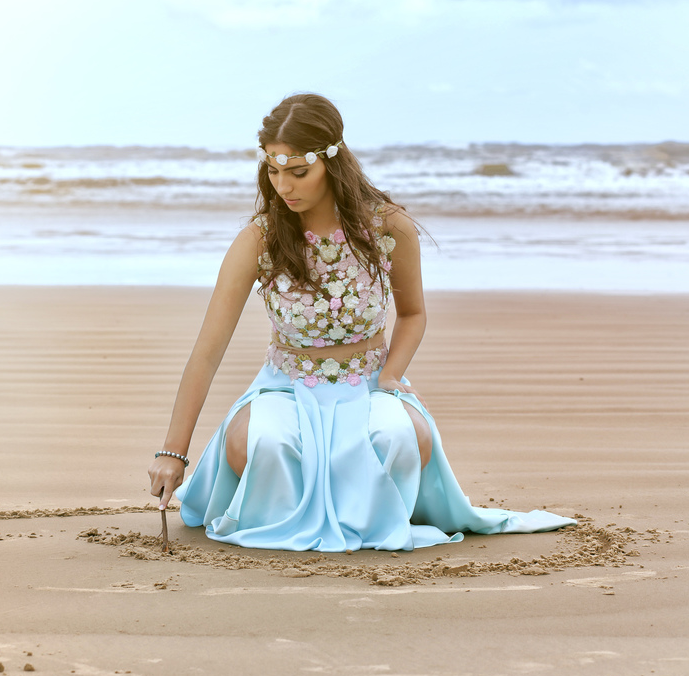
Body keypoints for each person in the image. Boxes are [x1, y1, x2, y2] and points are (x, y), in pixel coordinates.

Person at [147, 93, 574, 551]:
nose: (283, 186)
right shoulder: (259, 239)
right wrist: (172, 452)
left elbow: (412, 313)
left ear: (332, 161)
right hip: (287, 383)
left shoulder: (389, 227)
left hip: (370, 379)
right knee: (263, 444)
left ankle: (369, 515)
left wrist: (391, 374)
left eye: (297, 171)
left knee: (401, 437)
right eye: (272, 170)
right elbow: (207, 352)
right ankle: (287, 519)